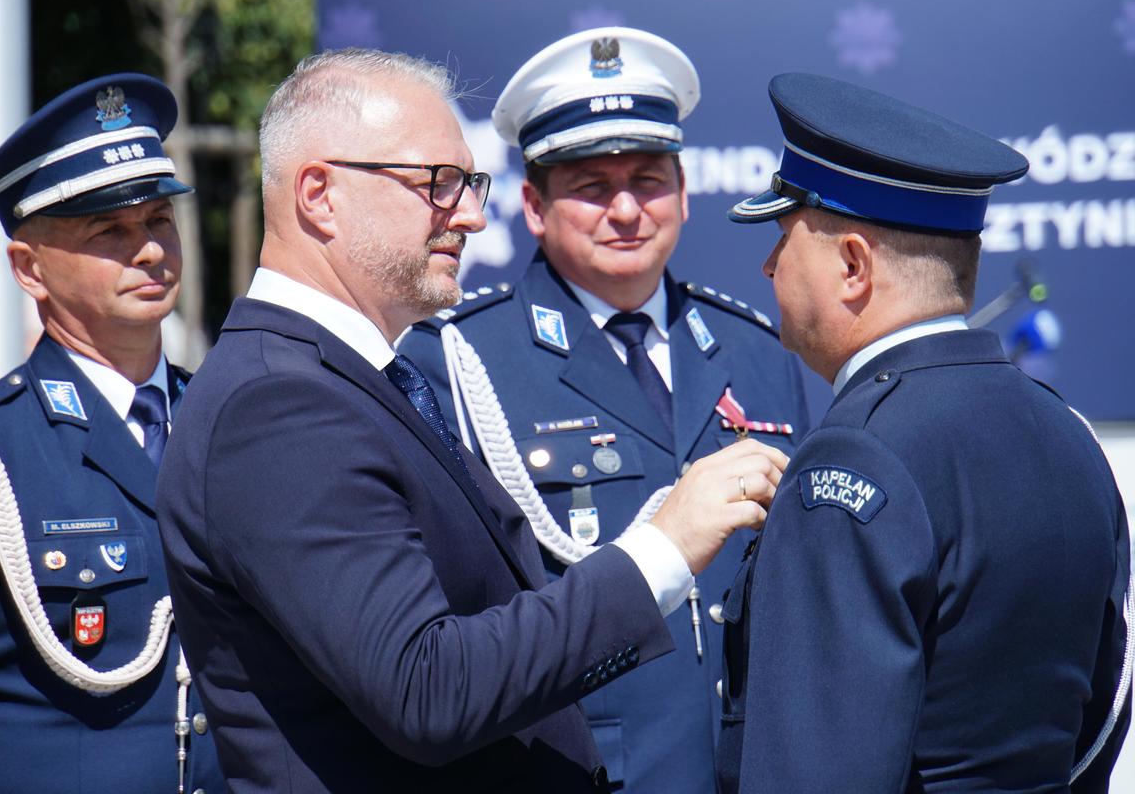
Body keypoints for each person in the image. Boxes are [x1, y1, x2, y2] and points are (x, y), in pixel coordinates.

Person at [154, 48, 788, 793]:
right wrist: (662, 548)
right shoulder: (279, 406)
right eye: (437, 184)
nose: (472, 214)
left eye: (471, 182)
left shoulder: (352, 379)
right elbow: (428, 691)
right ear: (320, 195)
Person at [397, 27, 810, 792]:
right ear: (533, 205)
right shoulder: (459, 363)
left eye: (649, 180)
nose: (626, 209)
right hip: (577, 770)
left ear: (685, 192)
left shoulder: (760, 352)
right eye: (591, 186)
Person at [717, 72, 1131, 793]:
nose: (768, 265)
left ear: (852, 265)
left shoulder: (857, 457)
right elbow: (1103, 712)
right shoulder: (1066, 432)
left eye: (784, 238)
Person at [0, 73, 225, 793]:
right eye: (110, 231)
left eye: (159, 220)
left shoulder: (228, 420)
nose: (151, 250)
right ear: (29, 270)